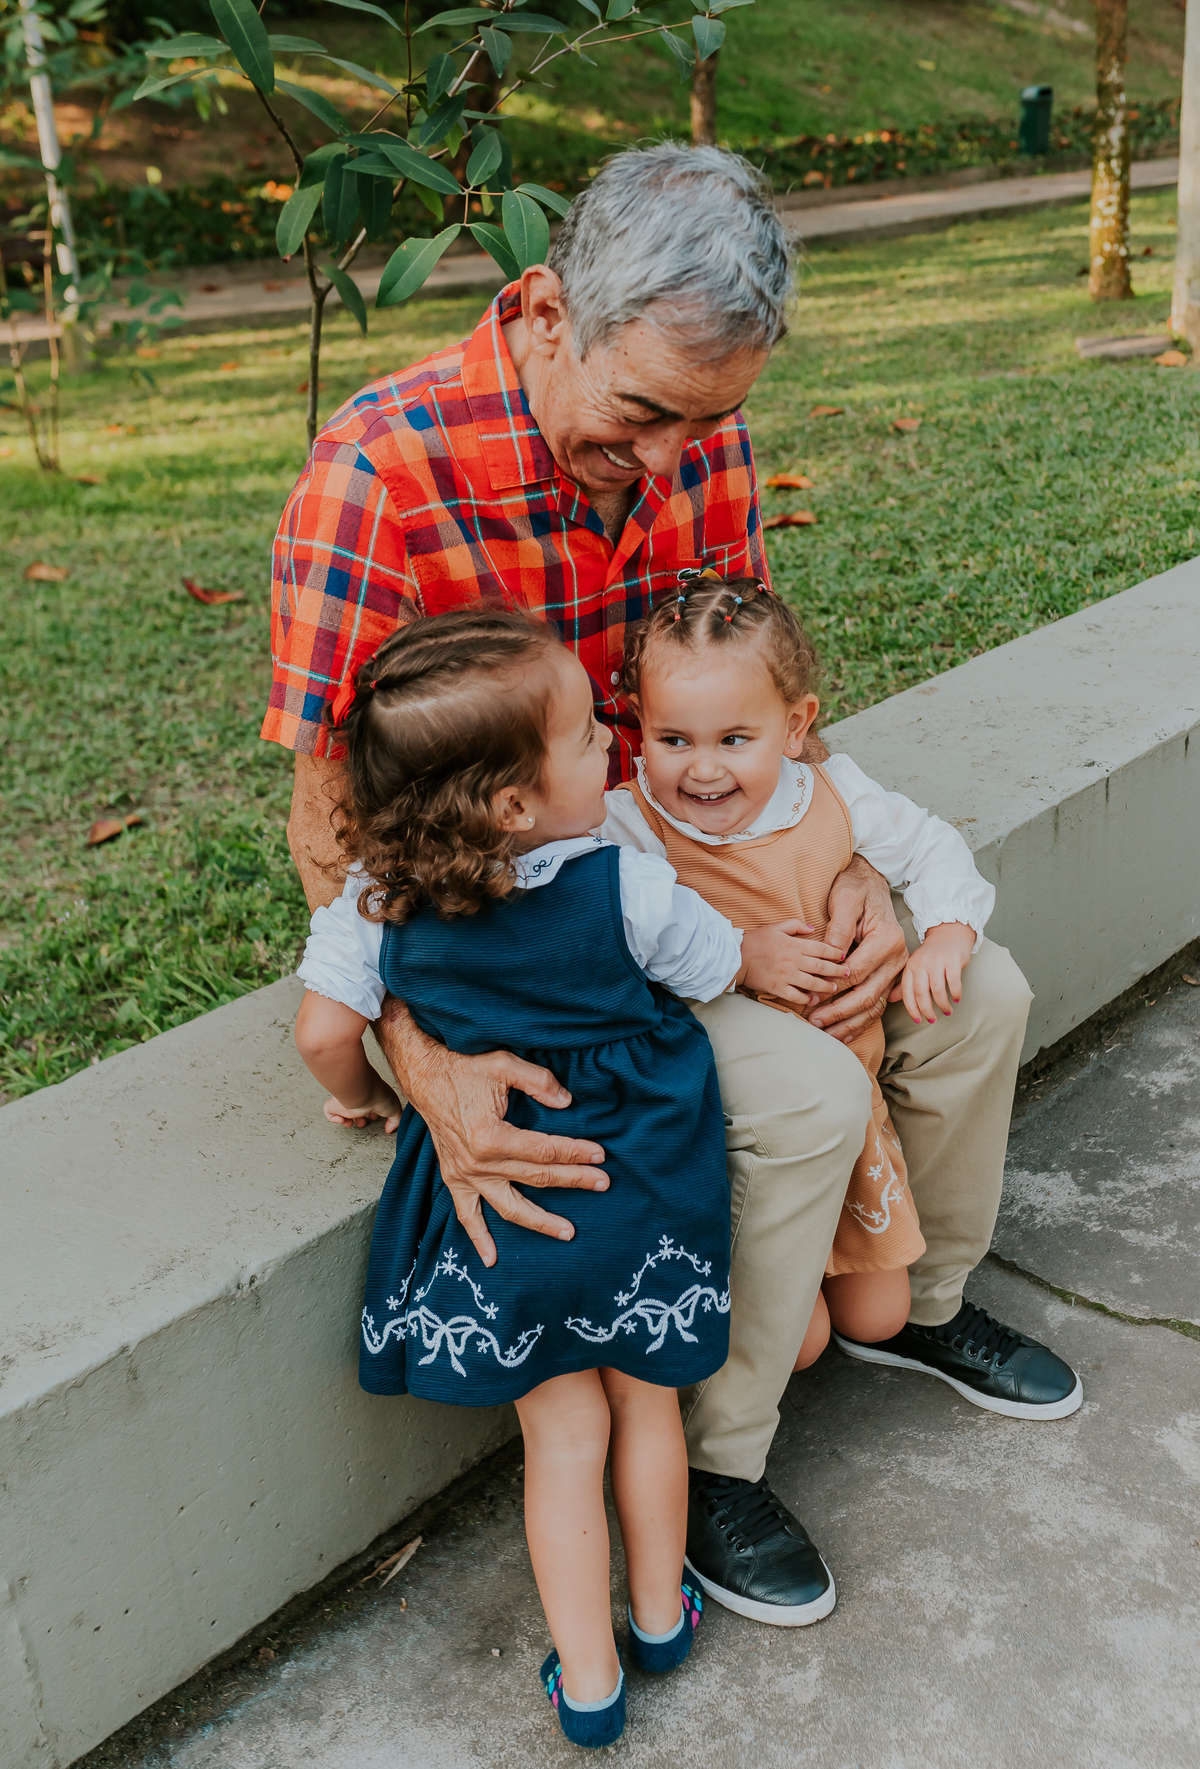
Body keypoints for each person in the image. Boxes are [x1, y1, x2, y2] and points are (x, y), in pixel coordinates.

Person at [266, 141, 1080, 1632]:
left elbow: (756, 689)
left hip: (699, 859)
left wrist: (862, 882)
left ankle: (927, 1301)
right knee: (805, 1097)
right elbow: (335, 827)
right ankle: (712, 1458)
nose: (671, 460)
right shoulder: (378, 476)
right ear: (547, 310)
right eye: (640, 415)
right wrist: (424, 1056)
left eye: (706, 422)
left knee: (981, 996)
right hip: (554, 948)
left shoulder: (702, 431)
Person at [293, 608, 805, 1745]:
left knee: (561, 1437)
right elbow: (717, 964)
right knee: (648, 1405)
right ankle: (664, 1616)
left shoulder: (373, 904)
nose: (613, 747)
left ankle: (588, 1682)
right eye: (585, 738)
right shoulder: (625, 887)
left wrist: (380, 1095)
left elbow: (325, 1032)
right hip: (642, 1187)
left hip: (511, 1208)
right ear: (515, 804)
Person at [606, 573, 1083, 1444]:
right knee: (805, 1342)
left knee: (875, 1311)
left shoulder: (827, 790)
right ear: (637, 727)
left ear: (797, 726)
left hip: (849, 1079)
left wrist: (943, 933)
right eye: (671, 738)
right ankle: (718, 1455)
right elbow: (603, 941)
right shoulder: (630, 827)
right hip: (749, 1094)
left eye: (735, 738)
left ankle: (925, 1311)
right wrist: (737, 956)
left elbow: (931, 844)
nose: (701, 767)